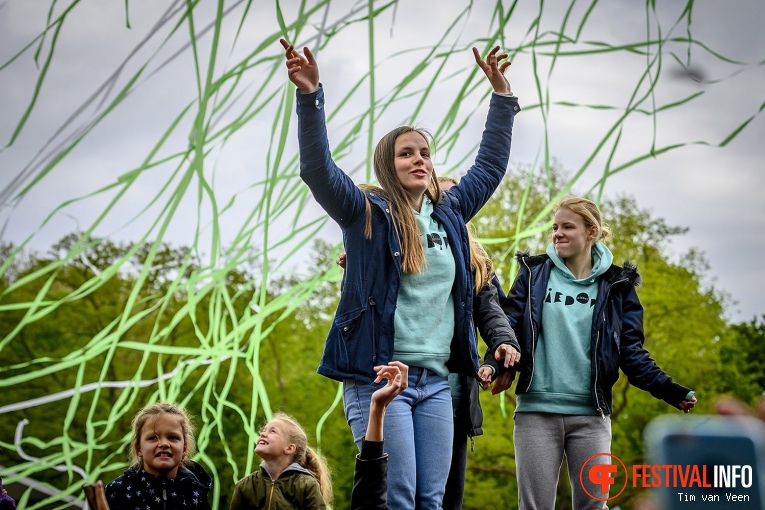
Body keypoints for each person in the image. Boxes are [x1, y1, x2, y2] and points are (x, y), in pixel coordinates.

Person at [280, 36, 520, 509]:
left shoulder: (450, 213)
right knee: (399, 497)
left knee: (432, 500)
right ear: (389, 166)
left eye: (425, 153)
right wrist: (310, 97)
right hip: (383, 380)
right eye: (407, 153)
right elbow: (317, 170)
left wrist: (502, 98)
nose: (419, 160)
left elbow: (490, 166)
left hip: (435, 382)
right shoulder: (364, 213)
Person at [499, 195, 697, 510]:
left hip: (591, 416)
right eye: (555, 227)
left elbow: (632, 354)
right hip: (536, 412)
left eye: (567, 226)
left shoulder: (618, 285)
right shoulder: (534, 274)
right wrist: (492, 366)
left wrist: (670, 390)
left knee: (594, 506)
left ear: (591, 232)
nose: (558, 233)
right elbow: (506, 328)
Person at [436, 175, 521, 510]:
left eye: (455, 199)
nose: (446, 205)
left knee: (447, 496)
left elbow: (494, 314)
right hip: (403, 387)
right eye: (439, 197)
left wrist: (495, 359)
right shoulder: (397, 244)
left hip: (454, 398)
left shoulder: (476, 263)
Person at [104, 402, 212, 510]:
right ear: (138, 448)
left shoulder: (195, 490)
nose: (164, 444)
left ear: (184, 448)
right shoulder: (117, 491)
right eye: (153, 438)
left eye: (172, 437)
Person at [229, 413, 332, 509]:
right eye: (263, 430)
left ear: (289, 448)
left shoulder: (306, 485)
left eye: (272, 431)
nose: (263, 434)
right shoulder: (245, 485)